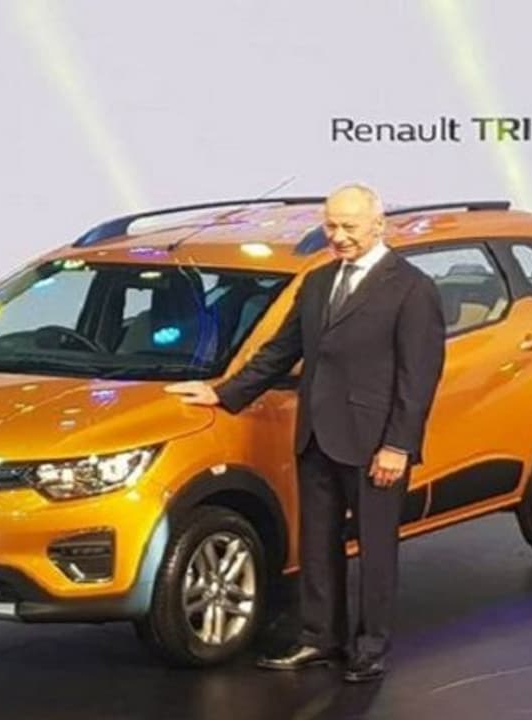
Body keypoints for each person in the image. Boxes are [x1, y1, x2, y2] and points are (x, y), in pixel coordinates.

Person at [165, 184, 445, 682]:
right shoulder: (316, 282)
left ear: (378, 225)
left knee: (376, 548)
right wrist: (223, 392)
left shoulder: (411, 288)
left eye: (349, 227)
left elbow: (418, 378)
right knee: (317, 543)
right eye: (331, 226)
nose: (338, 236)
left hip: (375, 443)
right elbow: (280, 351)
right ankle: (319, 637)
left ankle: (370, 646)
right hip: (316, 435)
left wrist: (398, 445)